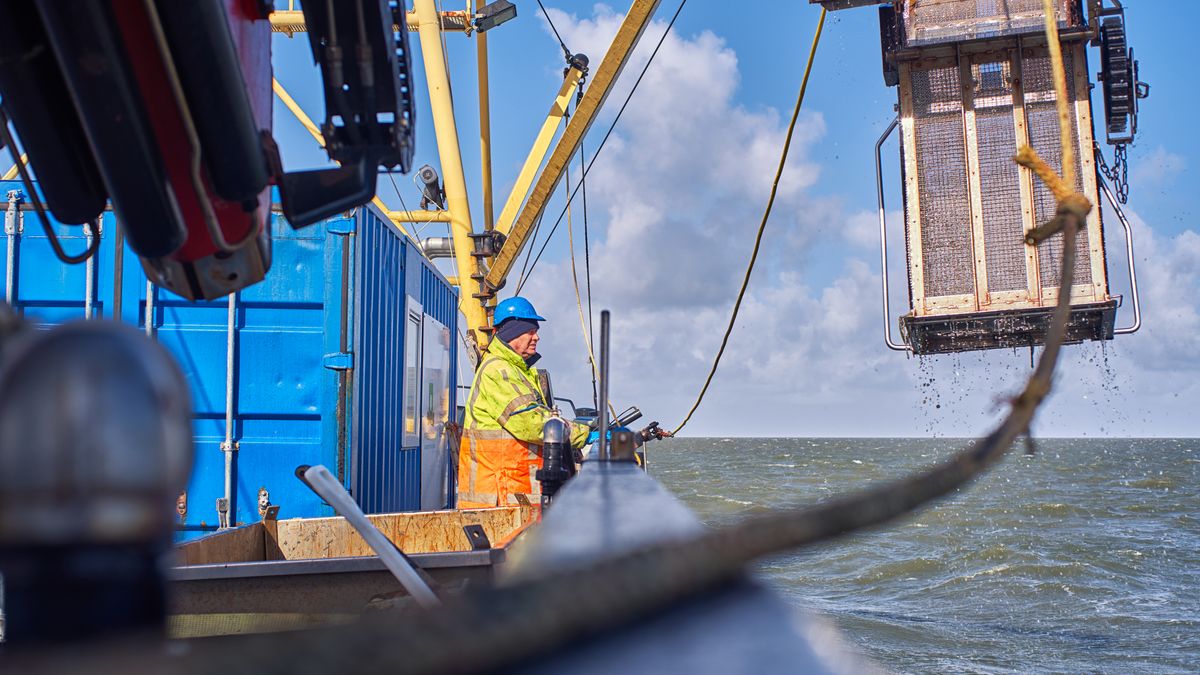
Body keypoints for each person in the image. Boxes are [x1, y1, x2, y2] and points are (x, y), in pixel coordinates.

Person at [458, 296, 590, 508]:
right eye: (530, 331)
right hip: (499, 497)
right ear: (512, 333)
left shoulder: (518, 371)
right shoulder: (498, 371)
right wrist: (585, 434)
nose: (536, 337)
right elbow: (531, 423)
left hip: (511, 492)